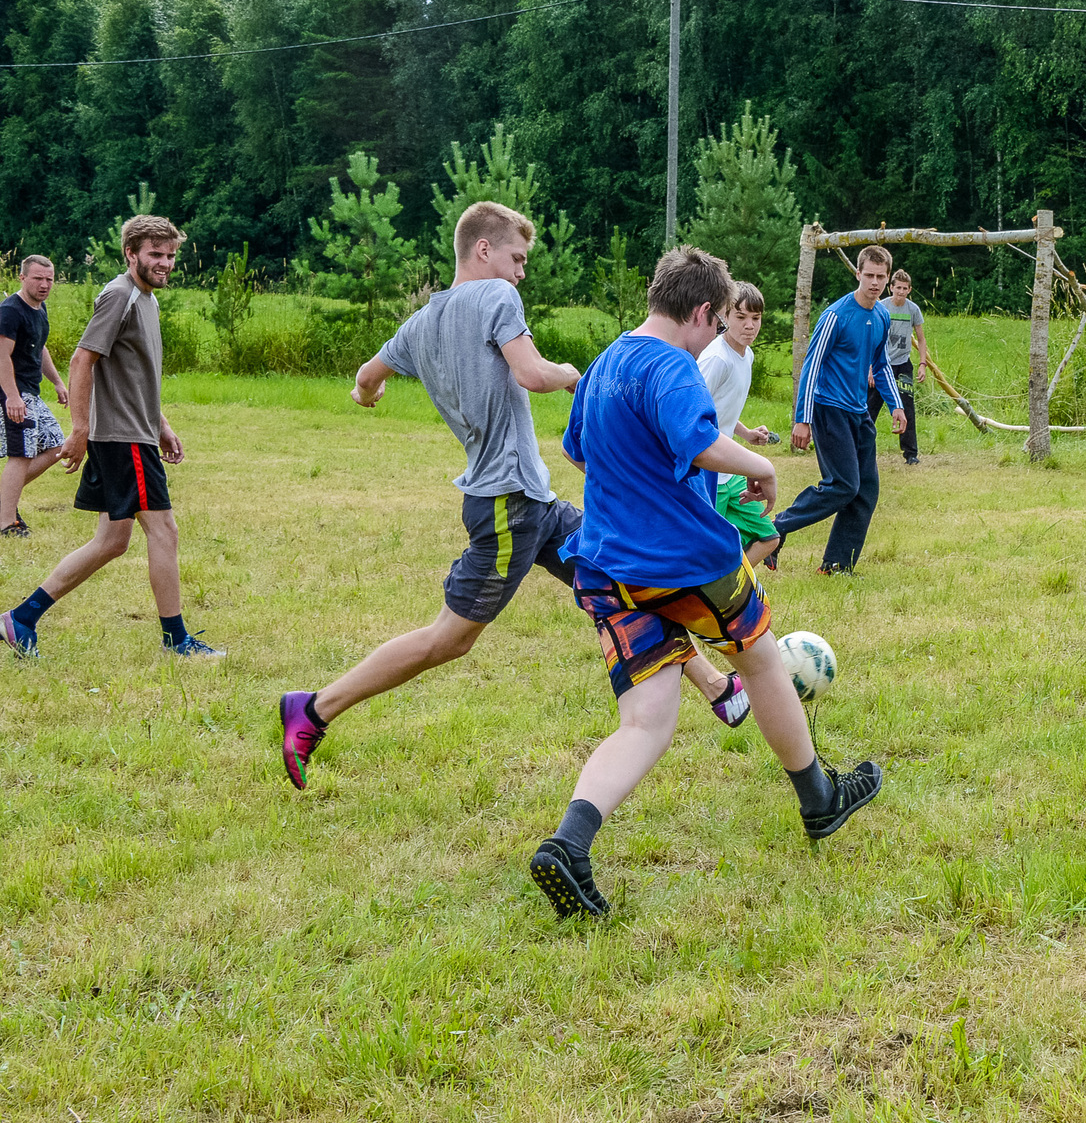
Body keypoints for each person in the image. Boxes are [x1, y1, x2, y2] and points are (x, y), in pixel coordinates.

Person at [274, 203, 753, 793]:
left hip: (532, 500)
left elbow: (367, 376)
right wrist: (574, 374)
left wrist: (364, 394)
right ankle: (314, 708)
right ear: (483, 250)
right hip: (507, 505)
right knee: (449, 639)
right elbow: (531, 373)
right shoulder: (497, 297)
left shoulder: (419, 324)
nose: (522, 272)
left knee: (623, 576)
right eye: (517, 258)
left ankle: (714, 684)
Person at [529, 246, 882, 919]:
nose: (715, 333)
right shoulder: (671, 366)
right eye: (717, 321)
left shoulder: (605, 363)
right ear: (699, 312)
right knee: (761, 657)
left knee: (645, 721)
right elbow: (700, 443)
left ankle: (569, 844)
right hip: (685, 561)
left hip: (608, 567)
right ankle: (818, 797)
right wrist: (763, 467)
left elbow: (579, 451)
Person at [0, 216, 222, 660]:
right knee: (165, 532)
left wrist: (160, 423)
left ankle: (20, 619)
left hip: (135, 433)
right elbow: (82, 360)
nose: (165, 263)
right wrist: (80, 429)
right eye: (155, 254)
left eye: (170, 255)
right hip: (122, 439)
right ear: (131, 253)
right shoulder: (120, 295)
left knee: (111, 541)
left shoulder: (146, 298)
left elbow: (133, 375)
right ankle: (177, 641)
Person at [771, 246, 906, 575]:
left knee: (866, 490)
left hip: (859, 413)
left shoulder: (882, 316)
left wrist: (897, 405)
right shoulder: (835, 316)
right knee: (844, 484)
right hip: (829, 409)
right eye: (869, 275)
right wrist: (802, 419)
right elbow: (811, 365)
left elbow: (881, 365)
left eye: (881, 276)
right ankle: (775, 529)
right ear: (858, 274)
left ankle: (836, 565)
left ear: (888, 279)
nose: (874, 282)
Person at [698, 281, 782, 568]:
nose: (750, 325)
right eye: (741, 316)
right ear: (724, 315)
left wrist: (745, 433)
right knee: (706, 550)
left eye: (756, 318)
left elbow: (720, 410)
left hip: (730, 471)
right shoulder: (716, 358)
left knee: (769, 537)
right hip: (709, 472)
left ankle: (736, 585)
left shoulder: (748, 355)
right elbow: (692, 412)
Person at [1, 256, 69, 536]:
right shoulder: (10, 311)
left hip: (31, 391)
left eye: (49, 279)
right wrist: (12, 397)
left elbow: (39, 347)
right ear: (22, 278)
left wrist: (57, 382)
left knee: (56, 446)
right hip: (12, 392)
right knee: (21, 454)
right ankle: (6, 523)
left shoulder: (39, 309)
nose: (44, 284)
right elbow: (1, 356)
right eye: (38, 278)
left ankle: (3, 502)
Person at [867, 269, 926, 464]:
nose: (901, 292)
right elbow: (871, 338)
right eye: (898, 288)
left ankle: (911, 453)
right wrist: (869, 368)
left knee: (906, 407)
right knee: (870, 408)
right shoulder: (881, 307)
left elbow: (921, 338)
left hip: (903, 365)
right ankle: (860, 447)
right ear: (891, 288)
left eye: (904, 288)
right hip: (881, 364)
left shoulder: (913, 310)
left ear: (909, 290)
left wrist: (922, 364)